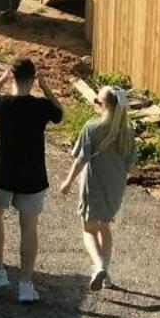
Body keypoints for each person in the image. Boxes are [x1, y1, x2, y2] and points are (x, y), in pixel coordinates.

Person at [0, 58, 63, 304]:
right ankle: (26, 284)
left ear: (12, 77)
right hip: (33, 176)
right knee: (29, 228)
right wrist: (46, 88)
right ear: (33, 78)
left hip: (2, 173)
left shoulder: (1, 104)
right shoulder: (41, 107)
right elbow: (60, 114)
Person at [61, 85, 136, 291]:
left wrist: (67, 182)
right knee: (105, 226)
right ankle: (106, 274)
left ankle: (99, 265)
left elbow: (81, 160)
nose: (95, 103)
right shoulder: (127, 133)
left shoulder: (92, 128)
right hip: (116, 186)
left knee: (89, 229)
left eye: (98, 101)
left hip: (94, 183)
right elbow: (131, 167)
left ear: (104, 106)